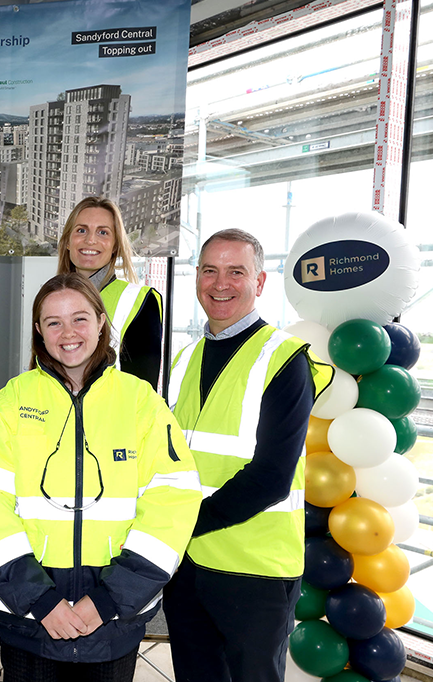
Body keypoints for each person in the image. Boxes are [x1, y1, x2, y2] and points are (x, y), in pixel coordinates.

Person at [0, 273, 201, 681]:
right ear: (38, 330)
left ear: (101, 322)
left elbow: (173, 503)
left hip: (113, 621)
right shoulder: (8, 404)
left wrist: (107, 600)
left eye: (80, 319)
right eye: (53, 322)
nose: (67, 333)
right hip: (29, 621)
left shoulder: (142, 402)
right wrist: (41, 601)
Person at [163, 228, 333, 682]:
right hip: (188, 568)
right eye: (210, 271)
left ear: (258, 283)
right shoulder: (183, 360)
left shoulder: (284, 358)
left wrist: (180, 524)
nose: (221, 284)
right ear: (196, 277)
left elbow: (271, 476)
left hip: (253, 570)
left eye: (236, 272)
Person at [57, 196, 163, 390]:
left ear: (115, 246)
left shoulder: (139, 301)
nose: (90, 240)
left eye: (103, 232)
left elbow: (143, 394)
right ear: (67, 242)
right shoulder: (51, 300)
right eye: (81, 230)